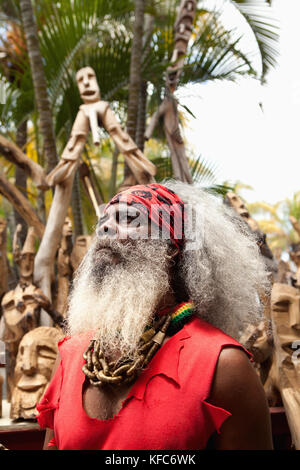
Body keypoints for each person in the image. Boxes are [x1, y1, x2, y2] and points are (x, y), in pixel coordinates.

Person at [37, 182, 273, 450]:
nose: (104, 228)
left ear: (171, 245)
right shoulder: (70, 354)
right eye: (105, 220)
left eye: (128, 218)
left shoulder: (223, 365)